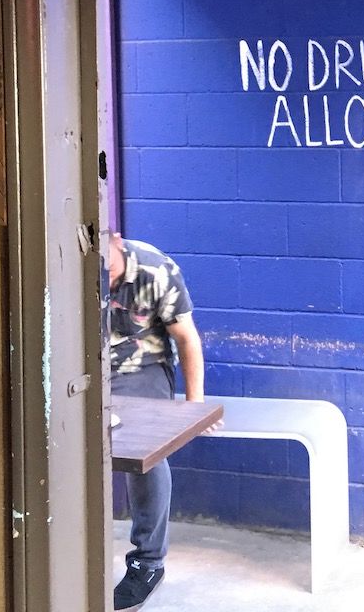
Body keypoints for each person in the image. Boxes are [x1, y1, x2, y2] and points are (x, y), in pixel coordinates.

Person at [106, 233, 207, 612]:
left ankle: (148, 563)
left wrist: (194, 408)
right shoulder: (72, 261)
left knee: (140, 446)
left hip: (141, 366)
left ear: (117, 242)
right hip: (83, 365)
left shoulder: (156, 269)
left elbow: (187, 338)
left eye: (112, 273)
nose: (108, 281)